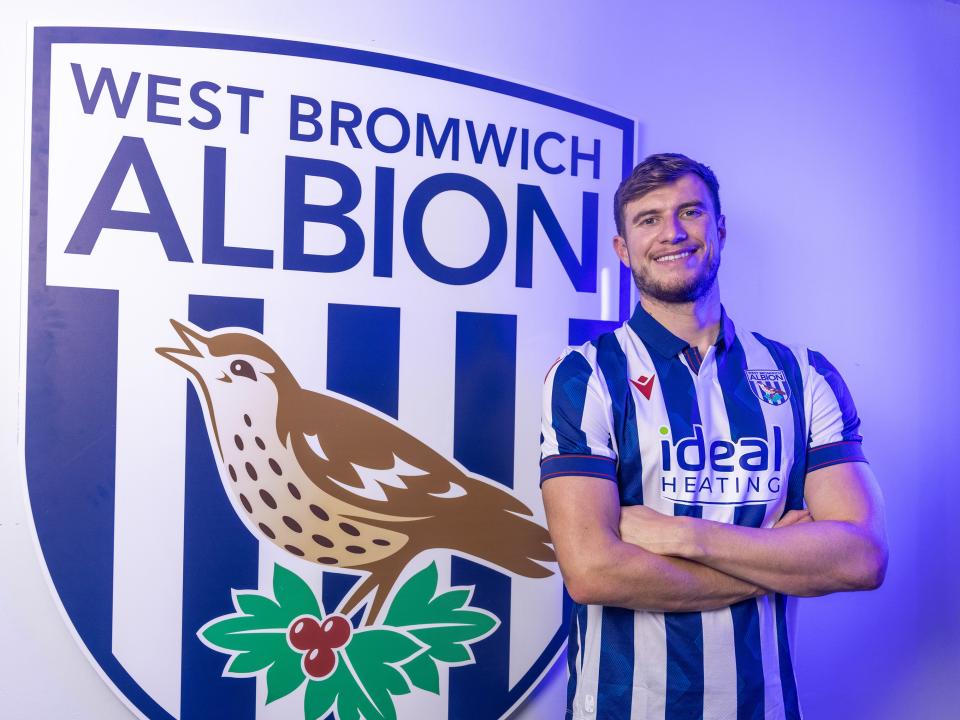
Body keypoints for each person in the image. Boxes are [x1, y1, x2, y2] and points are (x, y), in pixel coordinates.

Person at [540, 153, 887, 720]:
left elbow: (861, 557)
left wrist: (686, 535)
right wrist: (777, 563)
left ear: (719, 230)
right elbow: (591, 572)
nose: (672, 232)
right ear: (622, 248)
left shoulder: (803, 375)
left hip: (765, 707)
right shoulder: (586, 375)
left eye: (690, 212)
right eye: (648, 219)